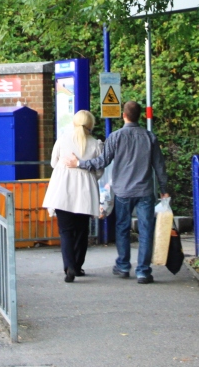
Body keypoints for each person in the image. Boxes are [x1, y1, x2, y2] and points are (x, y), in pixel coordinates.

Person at [65, 100, 168, 284]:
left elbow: (101, 162)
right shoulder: (150, 137)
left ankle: (123, 265)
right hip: (144, 191)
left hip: (122, 191)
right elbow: (159, 166)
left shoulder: (115, 137)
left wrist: (79, 164)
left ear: (124, 116)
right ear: (140, 116)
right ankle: (143, 271)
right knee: (146, 230)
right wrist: (164, 190)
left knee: (122, 228)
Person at [42, 109, 103, 283]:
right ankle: (77, 265)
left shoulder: (62, 140)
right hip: (84, 192)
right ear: (90, 125)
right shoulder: (95, 144)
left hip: (62, 190)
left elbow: (54, 163)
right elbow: (99, 170)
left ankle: (69, 267)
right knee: (82, 231)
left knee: (66, 231)